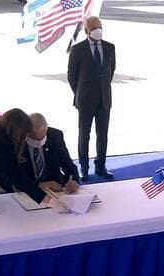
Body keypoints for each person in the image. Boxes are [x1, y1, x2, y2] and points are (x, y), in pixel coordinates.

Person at [67, 16, 116, 182]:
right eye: (94, 27)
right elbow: (72, 76)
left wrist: (102, 89)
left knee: (103, 135)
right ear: (87, 31)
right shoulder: (78, 49)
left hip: (104, 99)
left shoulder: (110, 47)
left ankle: (101, 166)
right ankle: (84, 168)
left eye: (100, 26)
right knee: (84, 135)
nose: (98, 30)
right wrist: (81, 92)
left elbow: (110, 71)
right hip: (85, 100)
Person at [20, 113, 79, 194]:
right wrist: (37, 185)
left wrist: (73, 181)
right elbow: (12, 175)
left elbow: (68, 165)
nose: (39, 141)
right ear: (25, 132)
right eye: (34, 139)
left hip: (55, 190)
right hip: (26, 192)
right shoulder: (17, 141)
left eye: (42, 137)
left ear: (46, 129)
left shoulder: (55, 136)